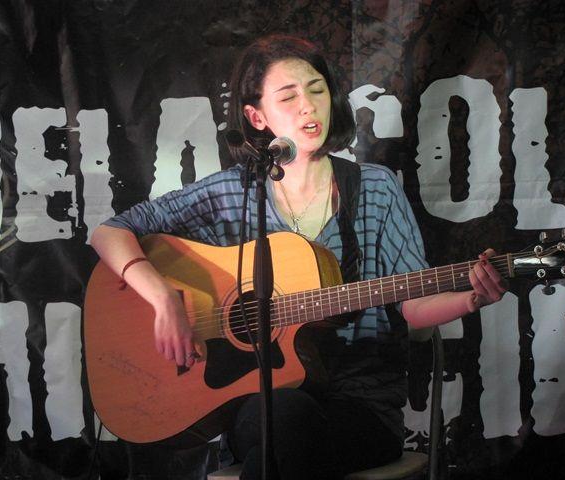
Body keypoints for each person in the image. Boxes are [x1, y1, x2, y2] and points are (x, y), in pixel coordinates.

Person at [90, 34, 507, 479]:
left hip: (360, 407)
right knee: (282, 417)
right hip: (259, 405)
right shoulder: (232, 194)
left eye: (317, 90)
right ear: (257, 117)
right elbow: (109, 233)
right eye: (288, 97)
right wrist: (164, 299)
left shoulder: (375, 188)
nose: (308, 107)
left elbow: (411, 306)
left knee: (285, 440)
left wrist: (470, 298)